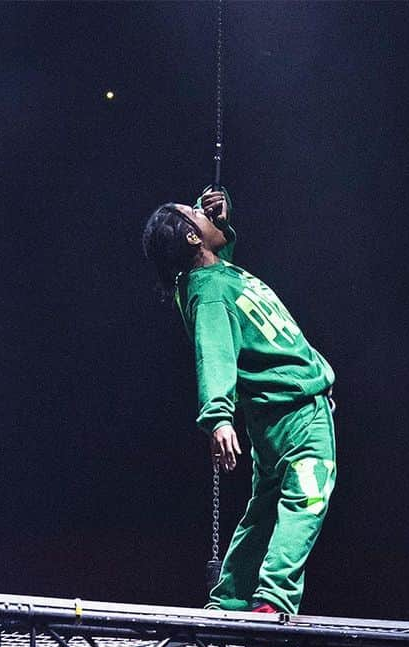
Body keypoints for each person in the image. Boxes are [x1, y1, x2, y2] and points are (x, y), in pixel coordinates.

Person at [142, 187, 336, 615]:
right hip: (294, 409)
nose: (201, 210)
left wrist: (221, 223)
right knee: (309, 494)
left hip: (279, 412)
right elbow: (213, 353)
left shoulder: (215, 277)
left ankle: (231, 599)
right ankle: (273, 600)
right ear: (193, 239)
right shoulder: (208, 293)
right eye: (194, 213)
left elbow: (221, 254)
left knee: (267, 505)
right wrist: (218, 417)